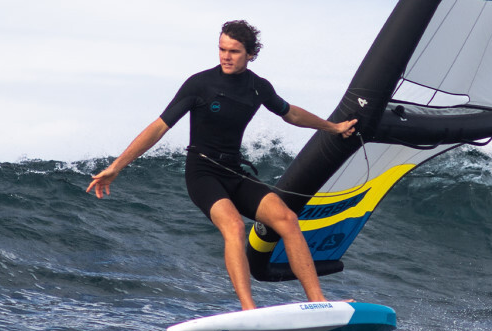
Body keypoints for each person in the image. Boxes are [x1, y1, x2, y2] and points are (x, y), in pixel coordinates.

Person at [86, 20, 357, 310]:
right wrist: (117, 166)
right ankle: (249, 309)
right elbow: (159, 127)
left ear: (250, 54)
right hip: (203, 174)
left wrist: (333, 127)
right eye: (221, 49)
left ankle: (318, 301)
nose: (226, 56)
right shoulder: (200, 84)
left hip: (234, 172)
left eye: (234, 51)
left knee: (287, 219)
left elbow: (290, 113)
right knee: (235, 226)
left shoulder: (258, 87)